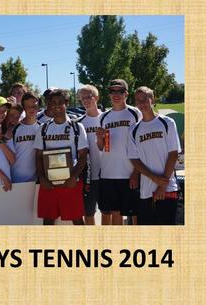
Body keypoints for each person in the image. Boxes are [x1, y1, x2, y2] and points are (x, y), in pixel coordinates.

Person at [128, 86, 181, 225]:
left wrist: (162, 186)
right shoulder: (134, 129)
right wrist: (154, 178)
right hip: (146, 191)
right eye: (138, 101)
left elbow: (174, 154)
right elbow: (134, 158)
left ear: (152, 100)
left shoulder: (167, 123)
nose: (142, 103)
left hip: (167, 189)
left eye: (145, 99)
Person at [34, 89, 88, 225]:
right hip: (49, 181)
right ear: (49, 105)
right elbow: (38, 156)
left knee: (77, 219)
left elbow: (83, 156)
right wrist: (42, 178)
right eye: (52, 103)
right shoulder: (43, 128)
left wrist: (74, 177)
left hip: (71, 181)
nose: (56, 106)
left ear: (67, 103)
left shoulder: (77, 127)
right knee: (48, 219)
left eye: (60, 102)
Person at [96, 79, 142, 225]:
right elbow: (100, 147)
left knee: (135, 212)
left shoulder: (135, 113)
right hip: (108, 173)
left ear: (126, 94)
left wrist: (136, 172)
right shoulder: (102, 116)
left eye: (120, 91)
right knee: (115, 212)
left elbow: (141, 145)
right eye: (112, 91)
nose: (116, 94)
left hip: (129, 172)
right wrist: (99, 138)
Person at [75, 85, 102, 225]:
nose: (86, 100)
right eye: (82, 98)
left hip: (107, 173)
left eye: (89, 96)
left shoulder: (106, 118)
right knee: (89, 213)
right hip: (88, 177)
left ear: (96, 98)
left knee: (109, 212)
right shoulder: (78, 123)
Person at [11, 92, 41, 183]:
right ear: (24, 108)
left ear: (39, 107)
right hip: (14, 179)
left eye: (34, 106)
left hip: (35, 180)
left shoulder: (43, 128)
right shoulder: (15, 128)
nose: (32, 109)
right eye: (28, 106)